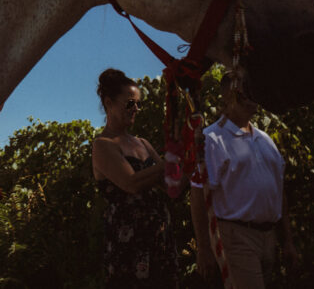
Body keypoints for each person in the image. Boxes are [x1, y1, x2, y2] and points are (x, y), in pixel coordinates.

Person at [190, 73, 300, 289]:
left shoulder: (265, 140)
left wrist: (287, 241)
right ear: (228, 96)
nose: (252, 96)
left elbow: (279, 193)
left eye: (253, 90)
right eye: (244, 91)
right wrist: (203, 248)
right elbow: (198, 195)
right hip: (236, 236)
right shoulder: (212, 139)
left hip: (268, 237)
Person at [92, 68, 179, 288]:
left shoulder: (143, 143)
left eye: (138, 104)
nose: (136, 109)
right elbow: (131, 183)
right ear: (109, 103)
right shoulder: (103, 145)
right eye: (130, 103)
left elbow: (171, 187)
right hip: (128, 243)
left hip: (158, 238)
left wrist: (190, 159)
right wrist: (168, 162)